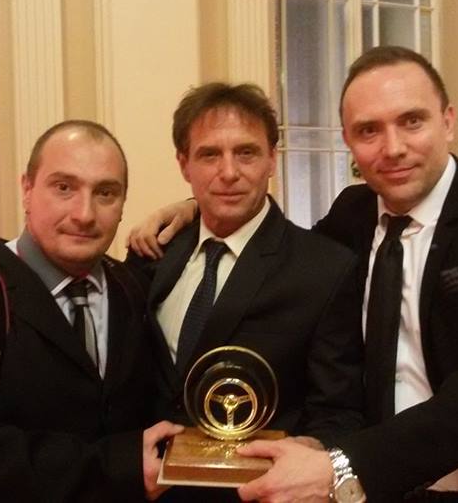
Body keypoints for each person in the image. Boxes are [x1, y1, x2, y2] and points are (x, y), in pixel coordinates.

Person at [130, 48, 458, 502]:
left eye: (412, 121)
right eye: (369, 130)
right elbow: (273, 249)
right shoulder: (352, 215)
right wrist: (196, 209)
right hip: (372, 492)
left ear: (447, 121)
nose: (393, 147)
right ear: (348, 140)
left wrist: (345, 465)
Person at [0, 120, 183, 502]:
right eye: (64, 187)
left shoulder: (132, 288)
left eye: (106, 193)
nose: (84, 214)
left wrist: (191, 206)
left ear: (123, 204)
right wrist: (120, 467)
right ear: (27, 190)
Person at [125, 83, 364, 468]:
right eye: (209, 155)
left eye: (246, 153)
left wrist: (308, 457)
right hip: (148, 486)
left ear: (271, 159)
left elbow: (338, 413)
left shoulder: (324, 270)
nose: (229, 172)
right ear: (184, 164)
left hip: (257, 488)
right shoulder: (152, 252)